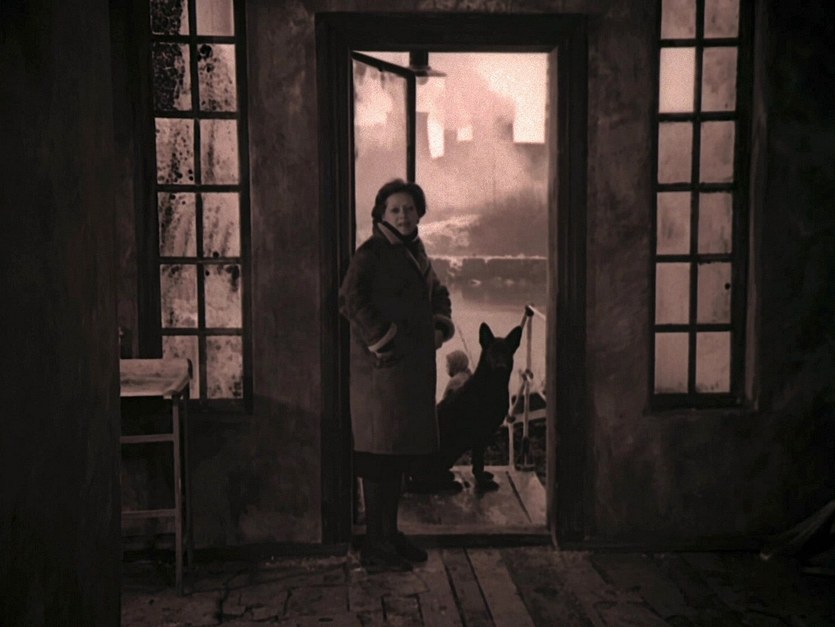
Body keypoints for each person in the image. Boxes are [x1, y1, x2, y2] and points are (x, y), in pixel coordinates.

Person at [339, 178, 455, 572]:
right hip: (380, 377)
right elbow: (349, 300)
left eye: (409, 208)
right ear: (381, 214)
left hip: (408, 378)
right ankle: (376, 544)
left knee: (396, 457)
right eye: (395, 209)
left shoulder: (416, 251)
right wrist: (384, 341)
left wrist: (439, 327)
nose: (403, 215)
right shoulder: (371, 253)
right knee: (379, 459)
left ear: (419, 212)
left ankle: (389, 535)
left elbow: (439, 294)